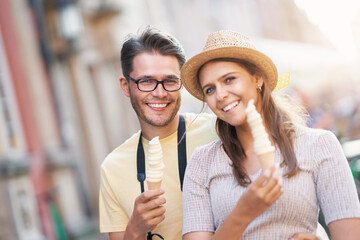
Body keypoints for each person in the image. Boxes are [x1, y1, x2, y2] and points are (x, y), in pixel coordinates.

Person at [180, 30, 360, 240]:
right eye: (209, 90)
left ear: (257, 79)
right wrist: (243, 214)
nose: (220, 95)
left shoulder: (318, 144)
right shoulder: (202, 162)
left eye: (229, 79)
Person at [99, 26, 218, 240]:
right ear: (126, 86)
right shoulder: (112, 168)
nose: (160, 93)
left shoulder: (217, 131)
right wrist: (135, 228)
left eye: (170, 81)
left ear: (182, 85)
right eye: (146, 81)